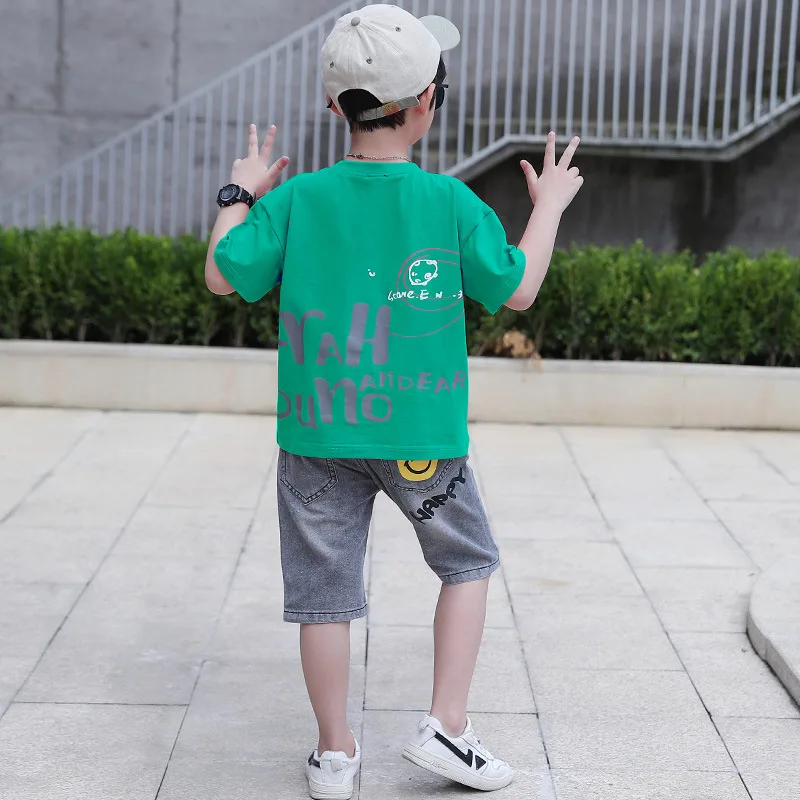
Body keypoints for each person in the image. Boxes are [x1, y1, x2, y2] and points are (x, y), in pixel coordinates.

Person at [204, 4, 583, 798]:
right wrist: (547, 204)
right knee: (468, 561)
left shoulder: (296, 200)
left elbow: (221, 273)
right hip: (421, 435)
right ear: (425, 104)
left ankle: (335, 755)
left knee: (324, 595)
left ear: (332, 105)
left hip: (317, 434)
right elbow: (517, 289)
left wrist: (240, 190)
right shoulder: (450, 203)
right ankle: (446, 726)